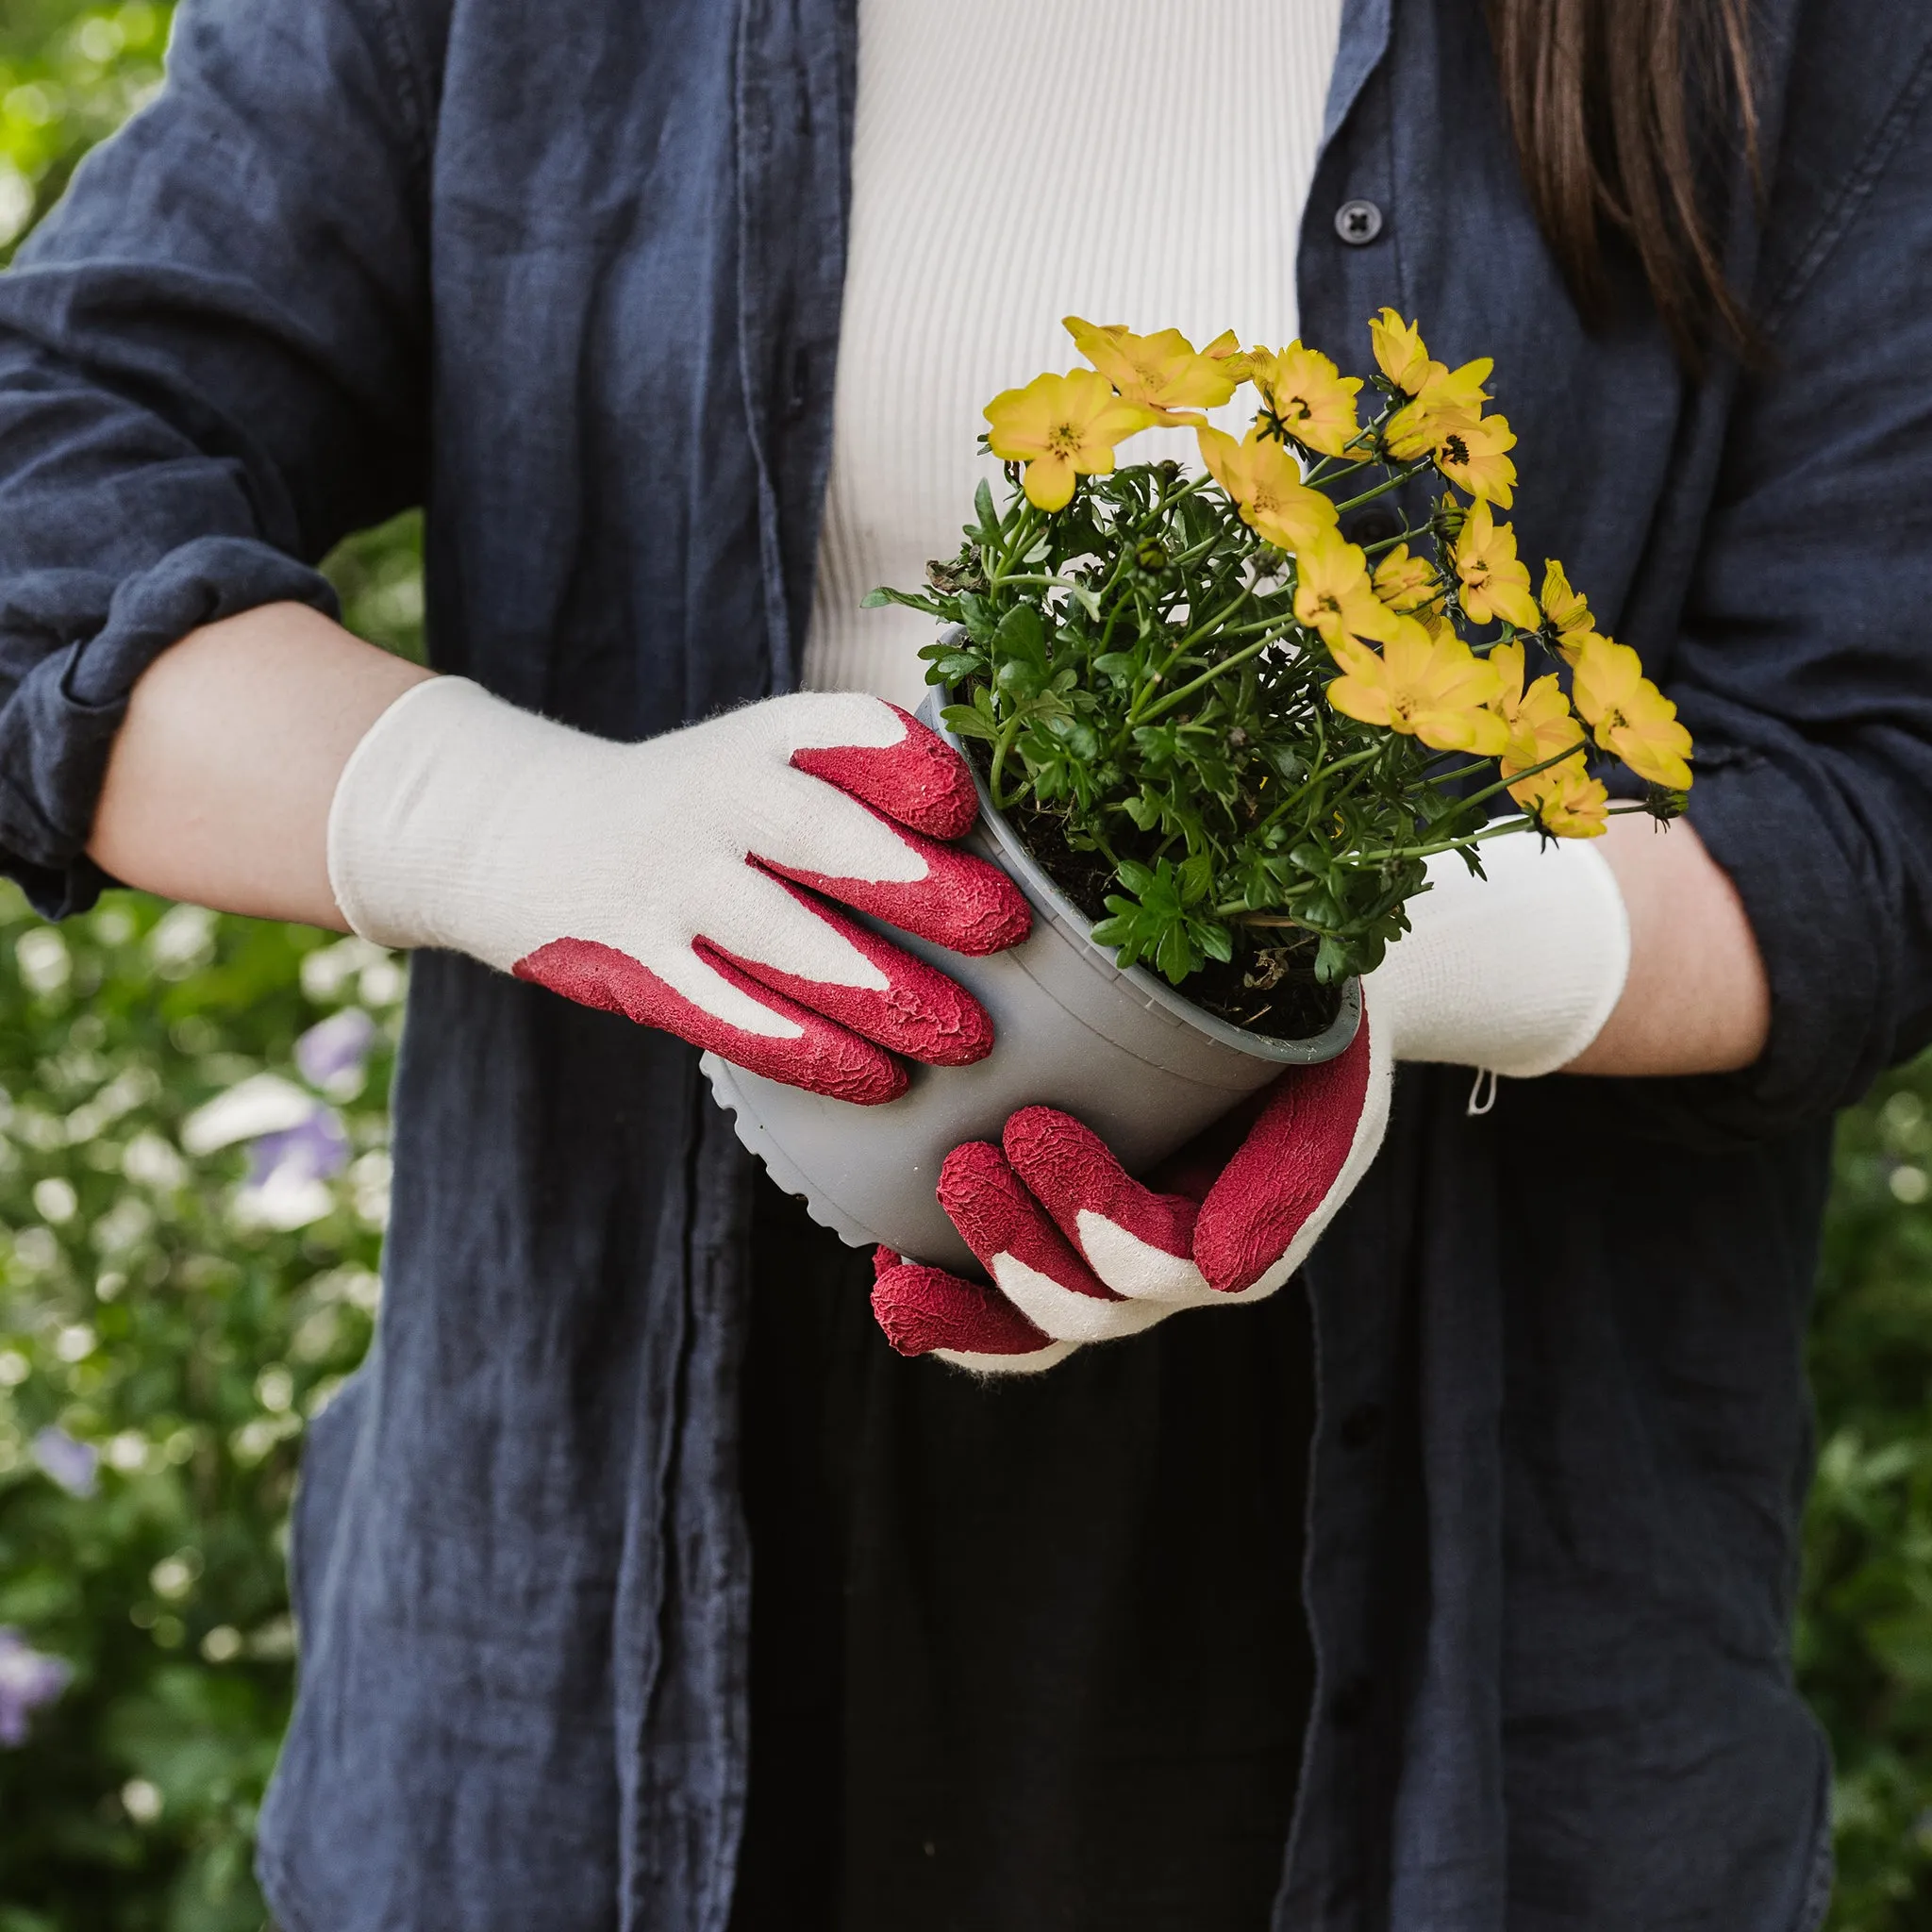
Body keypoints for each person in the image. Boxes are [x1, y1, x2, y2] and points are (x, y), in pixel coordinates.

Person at [0, 0, 1923, 1922]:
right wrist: (506, 821)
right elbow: (45, 478)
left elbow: (1872, 799)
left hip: (1482, 1574)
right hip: (607, 1523)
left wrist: (1376, 961)